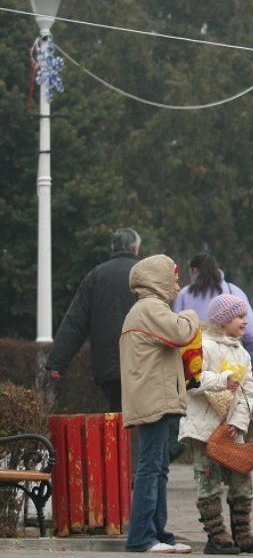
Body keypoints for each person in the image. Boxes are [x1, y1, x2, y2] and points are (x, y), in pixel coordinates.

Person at [120, 255, 199, 554]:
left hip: (153, 397)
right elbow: (182, 332)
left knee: (158, 467)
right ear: (159, 280)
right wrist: (191, 314)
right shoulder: (151, 308)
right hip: (152, 398)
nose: (177, 286)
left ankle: (158, 533)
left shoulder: (145, 309)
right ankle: (141, 536)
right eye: (174, 280)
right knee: (150, 468)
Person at [179, 294, 253, 555]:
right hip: (203, 429)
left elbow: (248, 392)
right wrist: (221, 380)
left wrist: (240, 422)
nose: (245, 321)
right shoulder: (203, 346)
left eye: (244, 316)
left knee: (242, 480)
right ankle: (216, 537)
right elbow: (190, 382)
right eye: (239, 316)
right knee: (208, 482)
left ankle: (243, 535)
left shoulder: (242, 353)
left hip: (231, 431)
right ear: (224, 320)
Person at [46, 227, 142, 412]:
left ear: (113, 248)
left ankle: (119, 441)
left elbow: (75, 321)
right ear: (136, 249)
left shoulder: (96, 276)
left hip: (107, 364)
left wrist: (58, 361)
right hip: (142, 360)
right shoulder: (146, 274)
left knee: (116, 414)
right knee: (142, 418)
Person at [174, 253, 253, 368]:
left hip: (193, 365)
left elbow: (176, 332)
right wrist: (252, 363)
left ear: (193, 270)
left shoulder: (183, 295)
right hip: (230, 364)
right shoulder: (233, 291)